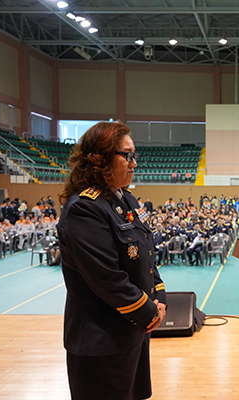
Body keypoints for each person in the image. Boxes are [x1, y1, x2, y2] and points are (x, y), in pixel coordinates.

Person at [57, 121, 167, 400]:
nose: (134, 163)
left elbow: (145, 254)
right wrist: (149, 312)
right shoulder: (85, 209)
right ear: (101, 159)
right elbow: (107, 278)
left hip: (131, 334)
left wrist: (160, 296)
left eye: (134, 155)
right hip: (102, 343)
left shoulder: (125, 200)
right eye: (126, 155)